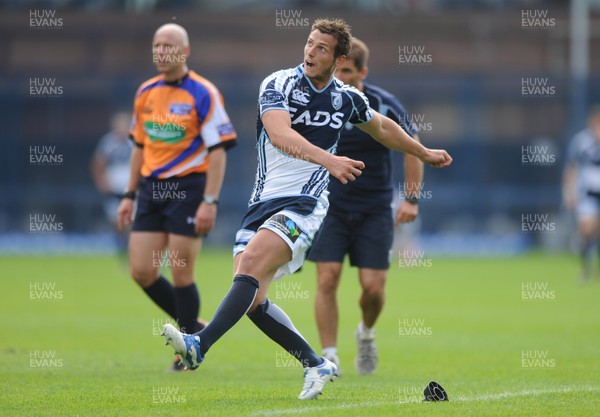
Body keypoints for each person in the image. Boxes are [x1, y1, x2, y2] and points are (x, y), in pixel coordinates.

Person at [161, 18, 451, 399]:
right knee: (252, 298)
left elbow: (383, 128)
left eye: (321, 49)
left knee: (248, 269)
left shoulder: (346, 97)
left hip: (306, 206)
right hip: (262, 204)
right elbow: (280, 134)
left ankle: (200, 344)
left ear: (338, 58)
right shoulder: (278, 83)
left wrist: (423, 151)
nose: (311, 52)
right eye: (309, 44)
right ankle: (316, 363)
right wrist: (329, 160)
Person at [117, 23, 237, 370]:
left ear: (185, 52)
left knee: (182, 272)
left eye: (168, 46)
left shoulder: (203, 92)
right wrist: (128, 195)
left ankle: (186, 349)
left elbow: (218, 151)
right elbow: (139, 146)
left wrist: (210, 201)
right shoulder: (146, 92)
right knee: (142, 271)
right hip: (151, 191)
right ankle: (195, 328)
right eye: (156, 46)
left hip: (188, 189)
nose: (161, 52)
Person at [306, 37, 422, 375]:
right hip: (330, 206)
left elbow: (414, 148)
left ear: (362, 72)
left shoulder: (383, 105)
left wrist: (412, 200)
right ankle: (329, 356)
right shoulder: (318, 100)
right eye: (336, 70)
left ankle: (366, 334)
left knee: (373, 289)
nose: (339, 78)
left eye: (347, 71)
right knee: (327, 279)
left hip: (374, 209)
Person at [563, 106, 600, 281]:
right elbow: (571, 168)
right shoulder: (581, 141)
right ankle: (585, 270)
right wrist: (569, 193)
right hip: (587, 192)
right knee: (587, 229)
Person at [90, 111, 134, 258]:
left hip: (132, 190)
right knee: (117, 222)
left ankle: (135, 252)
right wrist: (101, 181)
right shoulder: (108, 142)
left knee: (134, 221)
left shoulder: (135, 141)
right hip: (114, 189)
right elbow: (98, 162)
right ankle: (122, 252)